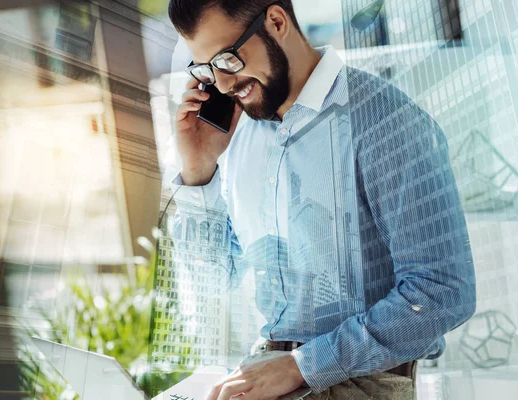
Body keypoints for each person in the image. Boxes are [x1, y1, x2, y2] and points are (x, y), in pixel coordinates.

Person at [167, 1, 476, 399]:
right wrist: (198, 171)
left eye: (227, 60)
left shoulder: (385, 122)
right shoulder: (239, 141)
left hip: (361, 382)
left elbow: (444, 291)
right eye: (207, 70)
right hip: (267, 372)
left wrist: (302, 366)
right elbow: (211, 285)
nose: (223, 85)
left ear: (276, 22)